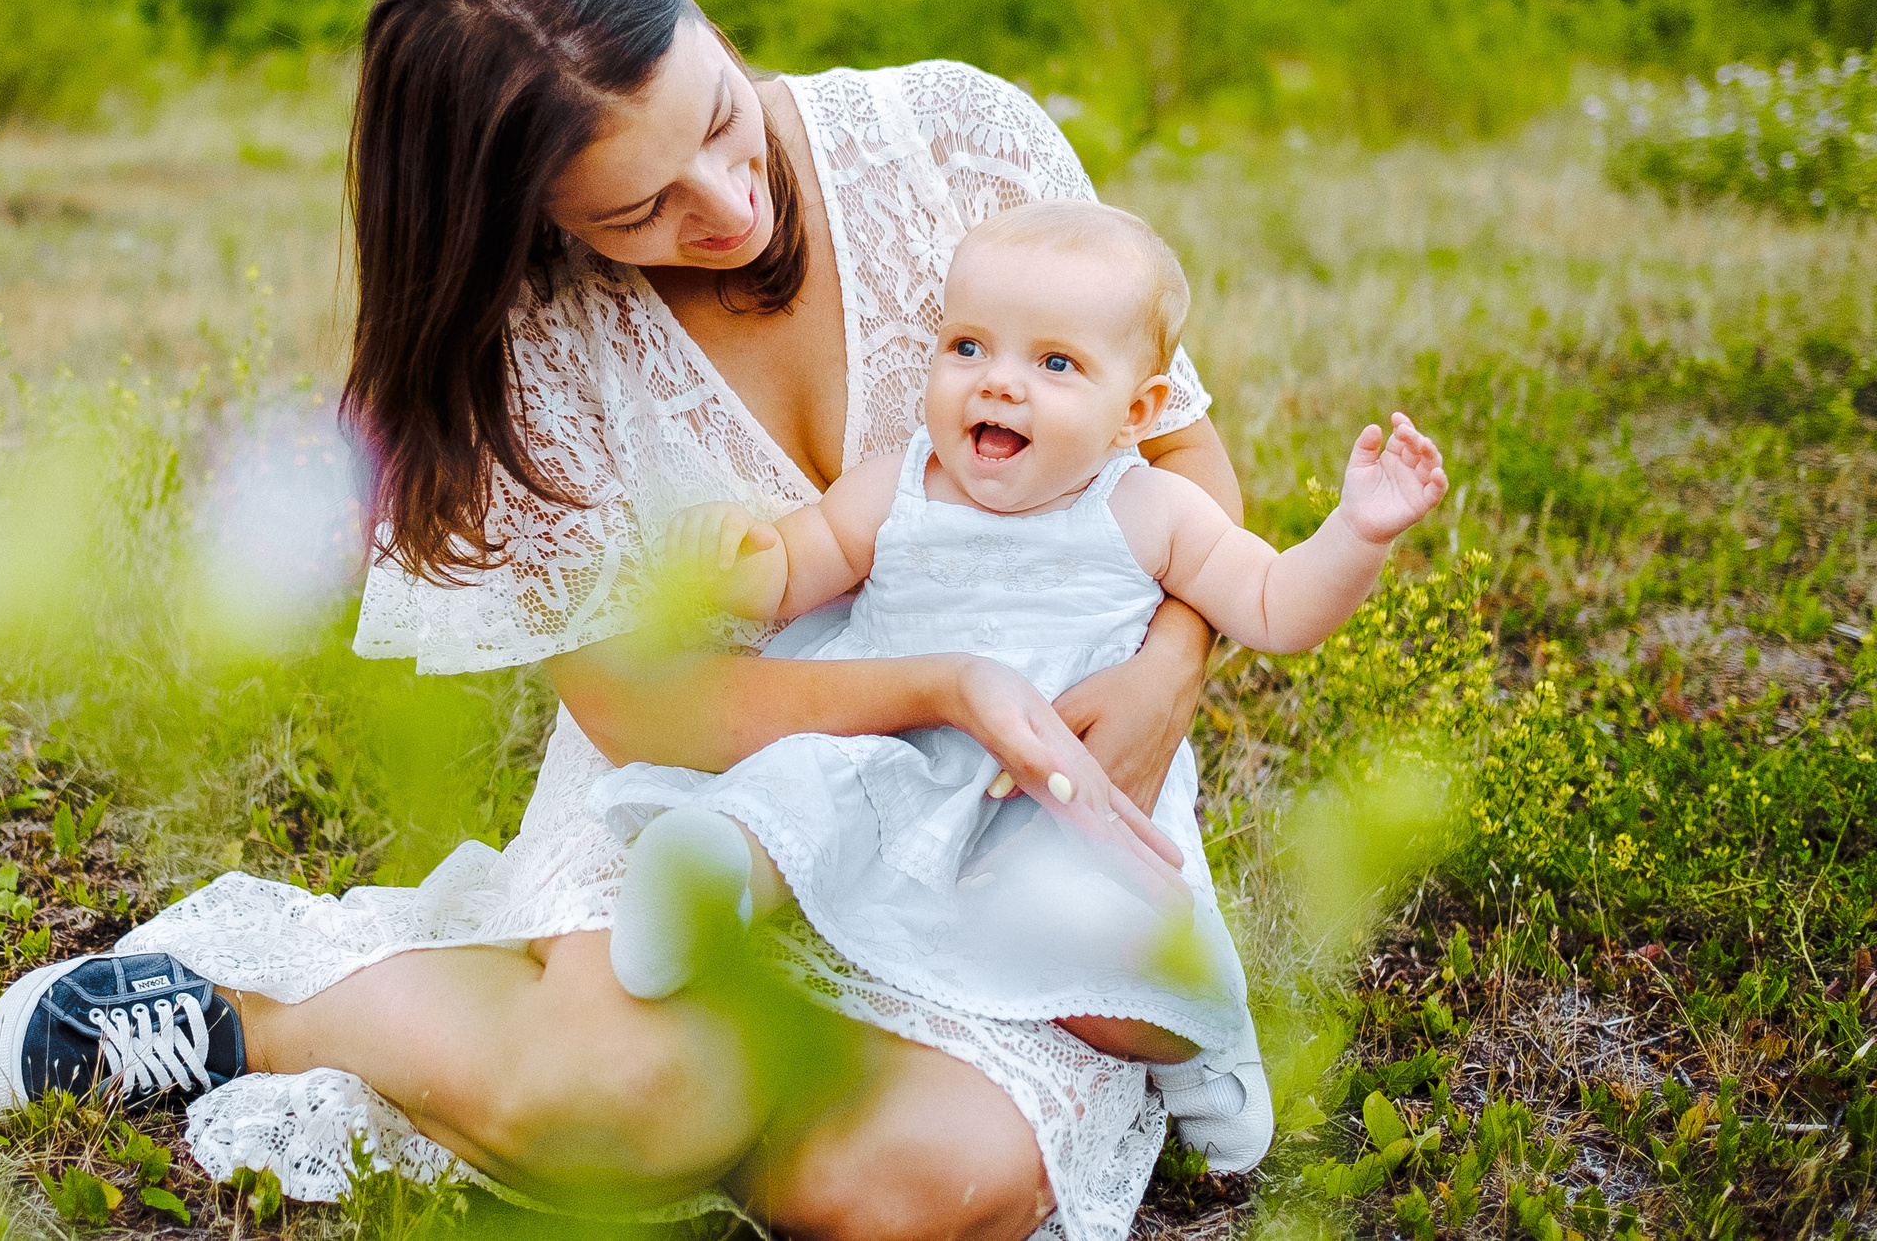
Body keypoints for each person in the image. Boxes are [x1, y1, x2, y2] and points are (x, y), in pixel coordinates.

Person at [0, 0, 1251, 1241]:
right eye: (641, 208)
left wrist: (1168, 669)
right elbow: (648, 708)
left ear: (696, 7)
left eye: (717, 116)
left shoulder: (957, 141)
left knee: (892, 1193)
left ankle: (676, 1066)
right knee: (627, 1107)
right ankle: (268, 1009)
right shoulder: (526, 347)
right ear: (533, 219)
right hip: (693, 797)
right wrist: (942, 684)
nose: (727, 202)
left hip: (1006, 801)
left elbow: (1176, 460)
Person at [597, 199, 1450, 1175]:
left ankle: (1193, 1044)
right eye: (968, 347)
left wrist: (1357, 534)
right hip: (888, 750)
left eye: (1055, 363)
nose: (998, 381)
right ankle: (708, 874)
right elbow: (791, 572)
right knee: (797, 796)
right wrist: (732, 554)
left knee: (1099, 945)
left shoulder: (1151, 510)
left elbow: (1273, 606)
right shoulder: (896, 487)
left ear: (1137, 413)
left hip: (1059, 799)